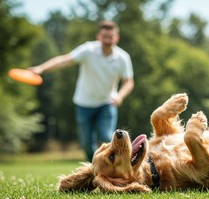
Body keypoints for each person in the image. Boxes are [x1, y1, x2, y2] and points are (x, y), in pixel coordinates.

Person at [29, 20, 134, 162]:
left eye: (111, 37)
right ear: (98, 37)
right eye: (104, 37)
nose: (107, 40)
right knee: (86, 145)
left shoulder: (122, 58)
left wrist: (120, 96)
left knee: (106, 137)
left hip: (107, 103)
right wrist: (41, 68)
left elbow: (129, 82)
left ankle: (118, 169)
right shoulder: (88, 50)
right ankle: (94, 168)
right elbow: (65, 60)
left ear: (116, 38)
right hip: (83, 103)